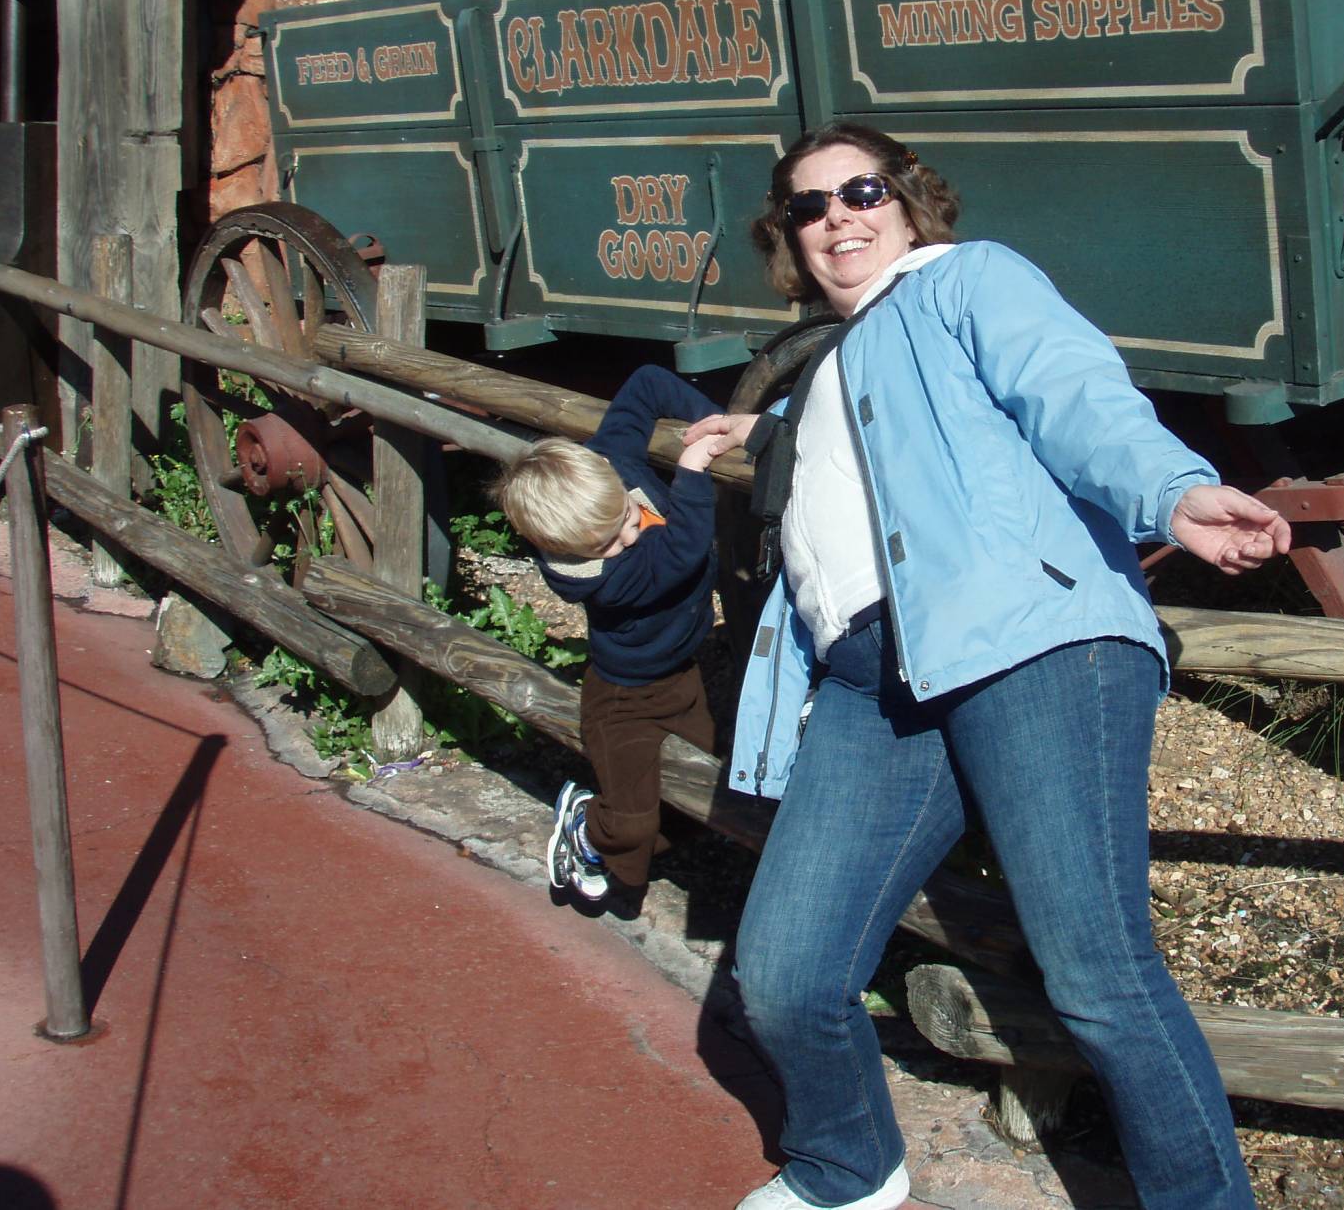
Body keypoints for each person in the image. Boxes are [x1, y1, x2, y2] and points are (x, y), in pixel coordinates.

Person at [684, 122, 1289, 1210]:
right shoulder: (834, 362)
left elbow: (1070, 391)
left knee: (1097, 974)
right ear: (789, 241)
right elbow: (879, 442)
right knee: (781, 973)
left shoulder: (968, 280)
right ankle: (844, 1165)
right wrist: (758, 432)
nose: (837, 219)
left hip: (1024, 643)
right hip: (874, 683)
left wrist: (1170, 490)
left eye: (859, 190)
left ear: (907, 200)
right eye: (807, 208)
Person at [495, 364, 735, 904]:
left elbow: (645, 384)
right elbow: (681, 550)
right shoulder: (606, 579)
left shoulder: (612, 468)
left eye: (627, 514)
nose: (629, 534)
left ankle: (618, 840)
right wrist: (691, 471)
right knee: (630, 827)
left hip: (680, 678)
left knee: (696, 805)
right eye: (607, 540)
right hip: (623, 699)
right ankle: (586, 829)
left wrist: (711, 421)